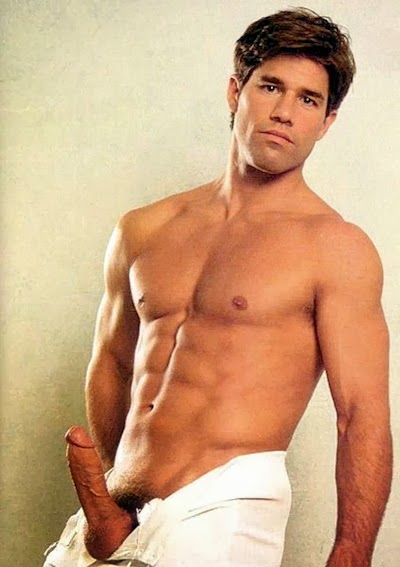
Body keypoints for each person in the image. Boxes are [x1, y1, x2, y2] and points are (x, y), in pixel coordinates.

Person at [43, 7, 392, 567]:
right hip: (115, 513)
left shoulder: (335, 247)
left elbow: (361, 414)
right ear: (236, 91)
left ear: (327, 122)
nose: (284, 112)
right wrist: (115, 491)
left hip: (227, 513)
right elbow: (113, 364)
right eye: (270, 86)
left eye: (308, 100)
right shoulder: (144, 229)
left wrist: (351, 553)